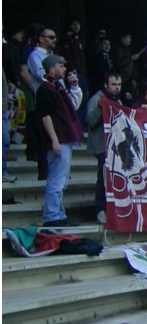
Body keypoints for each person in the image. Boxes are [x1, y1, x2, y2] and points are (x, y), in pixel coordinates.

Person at [36, 55, 83, 227]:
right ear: (51, 69)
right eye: (60, 66)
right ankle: (51, 215)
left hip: (64, 138)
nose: (64, 69)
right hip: (59, 139)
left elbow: (73, 105)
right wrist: (54, 139)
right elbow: (45, 115)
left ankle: (58, 213)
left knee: (61, 178)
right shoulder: (45, 88)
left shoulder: (57, 87)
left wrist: (74, 86)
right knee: (56, 178)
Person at [85, 71, 122, 224]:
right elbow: (89, 121)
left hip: (115, 146)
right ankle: (100, 209)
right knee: (103, 178)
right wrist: (100, 108)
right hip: (101, 146)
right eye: (114, 85)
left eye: (119, 85)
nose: (117, 88)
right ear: (106, 85)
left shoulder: (117, 100)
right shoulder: (96, 99)